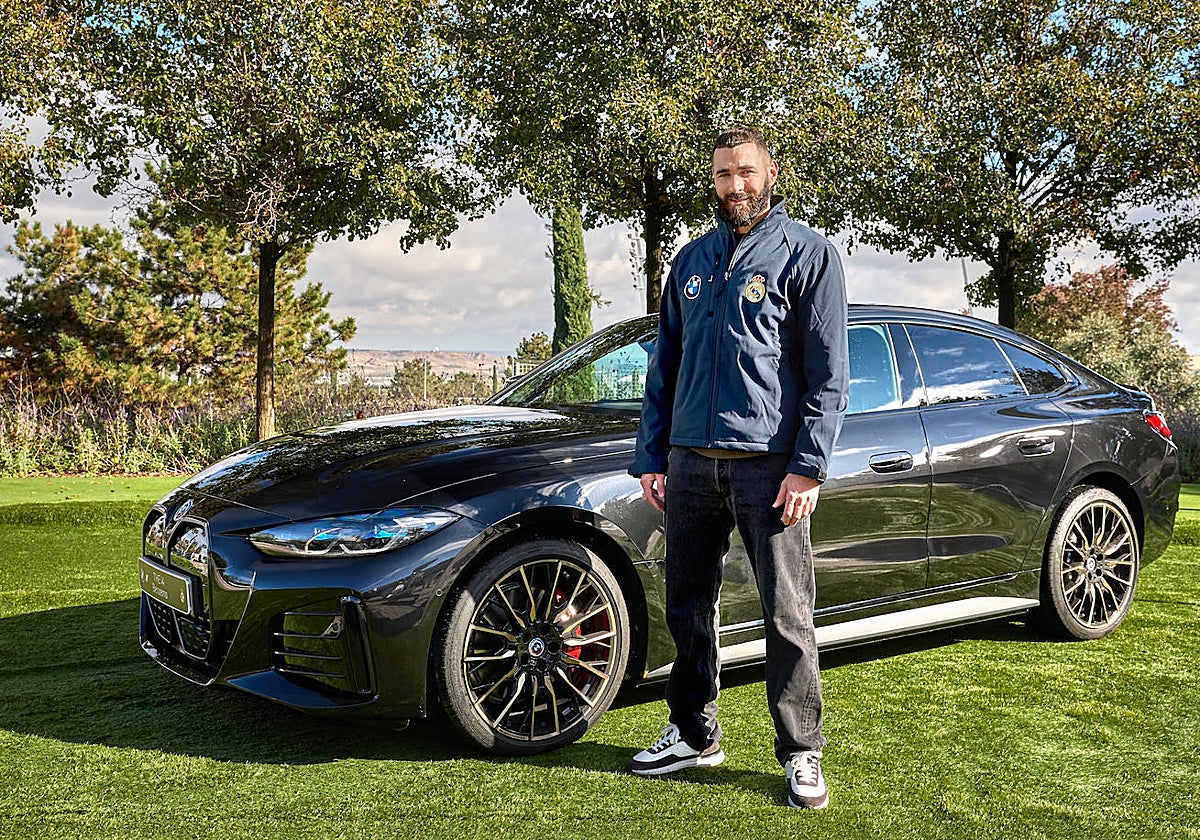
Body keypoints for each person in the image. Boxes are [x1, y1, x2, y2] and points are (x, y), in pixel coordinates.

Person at [626, 126, 849, 810]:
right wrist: (654, 457)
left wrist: (807, 467)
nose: (735, 187)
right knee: (687, 606)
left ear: (771, 173)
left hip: (770, 469)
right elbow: (664, 368)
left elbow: (828, 374)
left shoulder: (808, 256)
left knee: (787, 615)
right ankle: (694, 733)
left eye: (745, 172)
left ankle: (801, 751)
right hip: (691, 466)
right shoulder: (691, 261)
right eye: (723, 175)